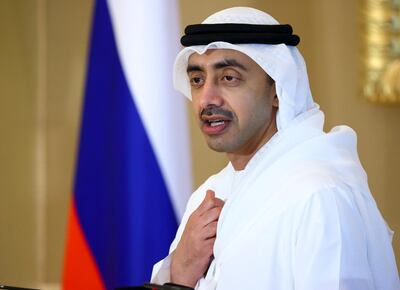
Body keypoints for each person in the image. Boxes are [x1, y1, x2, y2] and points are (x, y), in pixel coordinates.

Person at [151, 7, 400, 290]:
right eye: (197, 80)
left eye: (229, 77)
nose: (206, 98)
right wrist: (180, 273)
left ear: (278, 91)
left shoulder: (317, 195)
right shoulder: (207, 196)